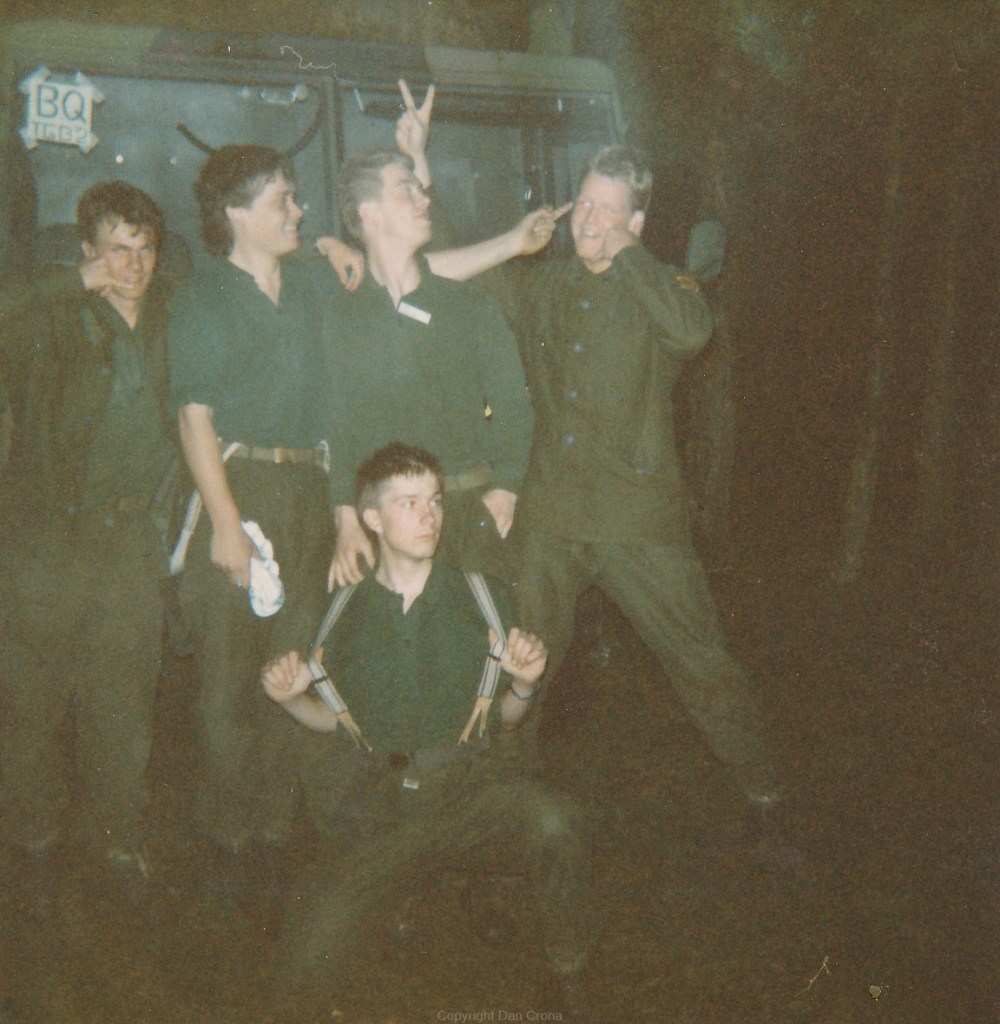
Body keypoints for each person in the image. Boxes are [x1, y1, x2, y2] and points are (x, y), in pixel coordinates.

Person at [431, 144, 793, 861]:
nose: (588, 221)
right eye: (584, 204)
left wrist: (627, 252)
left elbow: (693, 331)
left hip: (638, 523)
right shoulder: (546, 285)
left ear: (637, 221)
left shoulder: (663, 285)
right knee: (520, 660)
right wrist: (426, 176)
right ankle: (508, 805)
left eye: (608, 210)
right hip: (551, 518)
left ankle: (766, 796)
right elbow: (458, 274)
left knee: (701, 661)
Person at [260, 443, 596, 1020]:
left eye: (436, 501)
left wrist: (523, 684)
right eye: (410, 503)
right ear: (371, 518)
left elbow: (504, 719)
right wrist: (291, 700)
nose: (431, 516)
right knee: (302, 964)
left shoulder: (485, 598)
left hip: (470, 794)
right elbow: (340, 724)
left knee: (557, 823)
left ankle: (570, 973)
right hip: (383, 811)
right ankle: (399, 894)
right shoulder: (343, 613)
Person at [167, 144, 359, 867]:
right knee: (228, 674)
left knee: (292, 663)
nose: (299, 211)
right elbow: (195, 420)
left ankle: (273, 828)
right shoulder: (204, 296)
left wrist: (336, 244)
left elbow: (386, 268)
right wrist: (224, 527)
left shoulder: (308, 282)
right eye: (283, 199)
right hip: (237, 488)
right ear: (235, 212)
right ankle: (228, 831)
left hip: (308, 489)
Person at [0, 181, 179, 896]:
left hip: (130, 538)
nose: (131, 265)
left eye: (144, 249)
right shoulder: (52, 317)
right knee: (33, 697)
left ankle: (117, 838)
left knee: (124, 701)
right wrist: (76, 281)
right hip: (49, 534)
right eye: (115, 250)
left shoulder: (171, 314)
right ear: (86, 251)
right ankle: (32, 836)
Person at [320, 89, 534, 590]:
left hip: (467, 516)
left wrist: (505, 489)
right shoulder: (341, 314)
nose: (424, 200)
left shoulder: (471, 306)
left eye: (421, 190)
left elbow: (513, 406)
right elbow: (338, 424)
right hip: (385, 527)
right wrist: (346, 519)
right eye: (407, 192)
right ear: (369, 214)